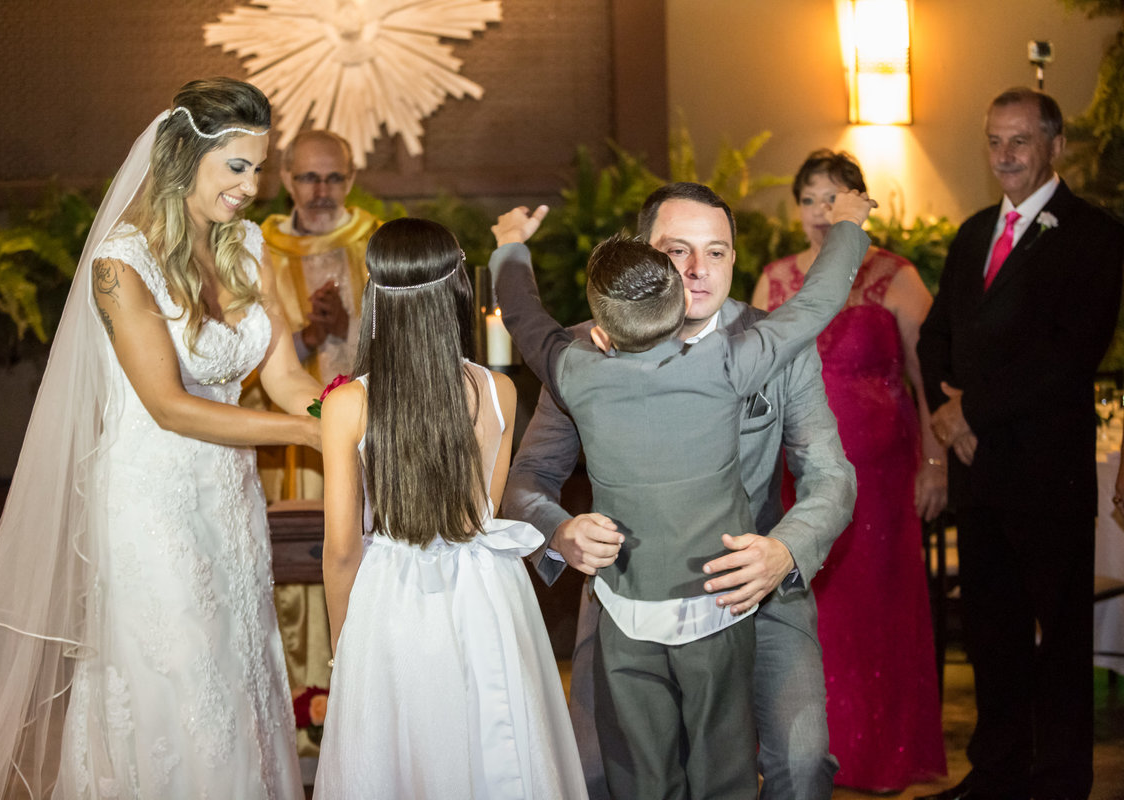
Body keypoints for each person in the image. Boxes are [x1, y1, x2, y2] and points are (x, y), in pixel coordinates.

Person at [0, 78, 321, 799]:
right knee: (180, 678)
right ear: (183, 155)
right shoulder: (120, 263)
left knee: (241, 676)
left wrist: (343, 413)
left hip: (229, 502)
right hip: (151, 504)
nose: (251, 186)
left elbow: (290, 376)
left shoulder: (251, 250)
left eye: (259, 168)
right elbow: (170, 406)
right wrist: (304, 435)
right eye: (237, 165)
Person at [489, 194, 873, 799]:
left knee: (801, 769)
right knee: (596, 774)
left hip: (760, 589)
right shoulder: (582, 351)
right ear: (648, 259)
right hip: (629, 598)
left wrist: (782, 552)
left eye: (715, 252)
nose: (698, 269)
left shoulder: (769, 343)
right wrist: (562, 530)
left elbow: (831, 477)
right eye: (678, 251)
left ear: (733, 259)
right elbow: (528, 480)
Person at [312, 218, 587, 798]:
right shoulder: (498, 391)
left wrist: (345, 645)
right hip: (487, 590)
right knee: (495, 744)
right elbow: (488, 505)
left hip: (393, 593)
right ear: (459, 287)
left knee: (407, 755)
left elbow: (340, 551)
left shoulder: (348, 404)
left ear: (375, 294)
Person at [917, 88, 1124, 800]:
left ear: (1054, 147)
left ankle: (1061, 779)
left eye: (1020, 141)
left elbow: (1069, 355)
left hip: (1048, 470)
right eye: (995, 141)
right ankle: (997, 770)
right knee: (992, 629)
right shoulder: (975, 231)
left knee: (1059, 632)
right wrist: (949, 414)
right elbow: (933, 333)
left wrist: (967, 411)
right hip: (979, 472)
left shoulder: (1095, 235)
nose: (1005, 155)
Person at [751, 149, 947, 792]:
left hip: (883, 480)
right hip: (796, 476)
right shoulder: (777, 280)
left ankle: (882, 757)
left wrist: (934, 462)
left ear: (859, 204)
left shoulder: (896, 275)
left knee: (878, 616)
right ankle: (803, 750)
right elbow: (753, 382)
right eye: (808, 199)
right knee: (809, 610)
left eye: (831, 199)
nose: (818, 213)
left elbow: (930, 380)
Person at [250, 129, 381, 502]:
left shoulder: (379, 243)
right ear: (288, 178)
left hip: (372, 433)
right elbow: (233, 358)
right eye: (309, 178)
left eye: (334, 178)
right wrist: (308, 338)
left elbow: (412, 339)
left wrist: (350, 327)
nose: (321, 192)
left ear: (351, 179)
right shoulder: (257, 251)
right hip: (290, 444)